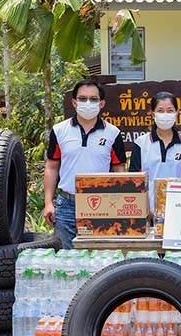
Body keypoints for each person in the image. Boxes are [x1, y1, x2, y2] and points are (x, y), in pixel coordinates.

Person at [43, 79, 127, 248]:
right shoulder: (59, 131)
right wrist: (48, 203)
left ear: (101, 103)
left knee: (99, 257)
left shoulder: (113, 133)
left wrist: (119, 205)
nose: (88, 103)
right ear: (74, 103)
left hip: (101, 204)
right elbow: (52, 167)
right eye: (82, 99)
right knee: (66, 260)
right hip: (66, 205)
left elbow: (119, 169)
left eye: (93, 99)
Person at [129, 91, 181, 211]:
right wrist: (146, 210)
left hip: (178, 210)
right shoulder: (141, 143)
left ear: (177, 113)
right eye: (160, 111)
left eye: (170, 110)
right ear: (152, 113)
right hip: (147, 211)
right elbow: (135, 181)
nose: (165, 115)